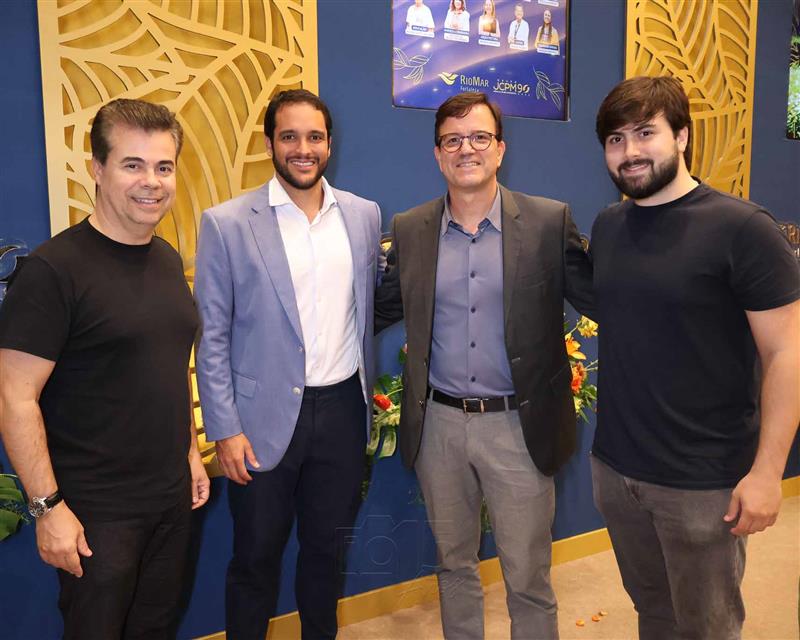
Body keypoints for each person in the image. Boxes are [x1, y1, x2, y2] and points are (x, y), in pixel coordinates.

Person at [375, 92, 593, 640]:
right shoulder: (411, 229)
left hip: (518, 427)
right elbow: (377, 309)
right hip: (440, 428)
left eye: (478, 137)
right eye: (452, 140)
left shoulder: (547, 222)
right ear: (437, 154)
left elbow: (603, 299)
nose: (465, 149)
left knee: (528, 577)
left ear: (500, 149)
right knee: (453, 565)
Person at [590, 75, 800, 639]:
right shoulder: (609, 226)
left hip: (703, 483)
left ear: (682, 136)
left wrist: (768, 473)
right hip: (616, 470)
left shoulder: (743, 229)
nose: (629, 151)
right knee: (654, 614)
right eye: (615, 139)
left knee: (706, 628)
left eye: (645, 133)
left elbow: (787, 354)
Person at [0, 98, 210, 640]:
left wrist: (189, 453)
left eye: (163, 167)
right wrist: (48, 508)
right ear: (97, 168)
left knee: (155, 628)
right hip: (97, 513)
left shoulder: (166, 258)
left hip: (169, 498)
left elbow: (167, 367)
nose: (152, 182)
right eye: (132, 165)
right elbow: (14, 398)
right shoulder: (53, 271)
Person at [194, 89, 381, 640]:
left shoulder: (364, 216)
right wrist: (224, 429)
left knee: (326, 554)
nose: (304, 148)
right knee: (255, 560)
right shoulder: (227, 223)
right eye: (290, 136)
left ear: (330, 144)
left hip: (343, 411)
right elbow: (212, 337)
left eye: (315, 137)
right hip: (261, 421)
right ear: (271, 144)